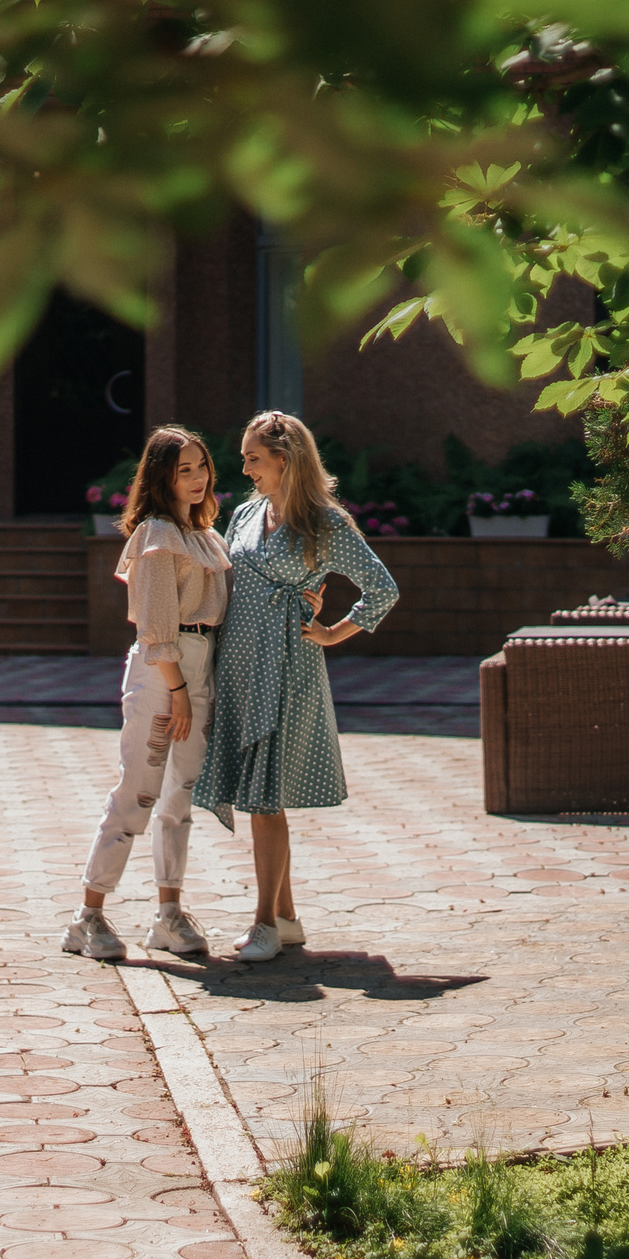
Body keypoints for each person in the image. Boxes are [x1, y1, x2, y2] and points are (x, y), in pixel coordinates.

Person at [194, 410, 399, 962]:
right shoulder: (244, 514)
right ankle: (284, 918)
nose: (245, 468)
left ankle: (263, 923)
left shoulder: (325, 523)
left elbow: (382, 588)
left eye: (253, 458)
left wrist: (332, 632)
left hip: (286, 667)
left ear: (285, 460)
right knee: (261, 794)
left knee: (265, 800)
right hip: (239, 666)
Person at [64, 426, 233, 961]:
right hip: (163, 676)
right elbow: (155, 630)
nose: (198, 478)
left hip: (198, 672)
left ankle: (168, 915)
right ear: (161, 477)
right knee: (138, 791)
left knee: (180, 797)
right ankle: (87, 917)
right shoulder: (157, 536)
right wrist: (178, 692)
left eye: (202, 466)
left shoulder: (208, 538)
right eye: (184, 469)